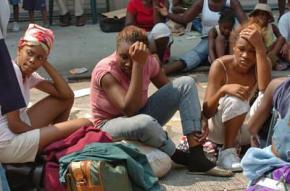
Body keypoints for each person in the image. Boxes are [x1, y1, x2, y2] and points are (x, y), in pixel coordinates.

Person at [90, 25, 233, 176]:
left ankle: (197, 154)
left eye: (134, 58)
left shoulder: (148, 61)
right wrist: (138, 64)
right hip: (109, 125)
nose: (128, 63)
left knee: (186, 83)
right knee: (144, 122)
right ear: (116, 52)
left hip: (141, 115)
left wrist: (199, 116)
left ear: (144, 54)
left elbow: (173, 91)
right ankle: (180, 157)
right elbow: (128, 109)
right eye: (124, 57)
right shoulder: (106, 71)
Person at [0, 24, 92, 163]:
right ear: (20, 48)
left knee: (63, 101)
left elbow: (66, 95)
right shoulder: (11, 73)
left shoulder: (28, 75)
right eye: (29, 53)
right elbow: (14, 124)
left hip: (16, 129)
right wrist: (44, 135)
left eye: (39, 58)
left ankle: (53, 149)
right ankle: (51, 150)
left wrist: (45, 63)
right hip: (7, 143)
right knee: (86, 123)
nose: (32, 61)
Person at [202, 25, 271, 171]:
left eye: (252, 51)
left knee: (267, 96)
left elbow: (265, 89)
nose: (246, 56)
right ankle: (227, 152)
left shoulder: (262, 63)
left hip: (246, 130)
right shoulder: (220, 65)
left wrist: (260, 48)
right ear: (233, 47)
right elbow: (207, 112)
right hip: (218, 129)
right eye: (241, 49)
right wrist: (223, 90)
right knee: (237, 99)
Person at [157, 0, 247, 74]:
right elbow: (184, 19)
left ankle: (231, 66)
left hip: (230, 41)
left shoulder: (232, 2)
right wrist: (167, 14)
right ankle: (166, 70)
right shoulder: (202, 2)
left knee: (223, 40)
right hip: (208, 41)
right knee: (199, 51)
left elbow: (246, 24)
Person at [125, 0, 172, 64]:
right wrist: (141, 34)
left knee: (162, 28)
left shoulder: (163, 2)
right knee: (130, 34)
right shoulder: (134, 2)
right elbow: (129, 24)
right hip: (140, 36)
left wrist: (155, 3)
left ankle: (159, 61)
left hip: (156, 36)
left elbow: (158, 23)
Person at [248, 3, 286, 71]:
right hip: (258, 51)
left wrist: (285, 45)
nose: (261, 17)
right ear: (255, 16)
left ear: (268, 17)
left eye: (263, 14)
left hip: (271, 50)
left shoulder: (272, 27)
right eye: (258, 14)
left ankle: (271, 61)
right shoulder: (252, 27)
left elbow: (281, 39)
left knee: (281, 39)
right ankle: (273, 63)